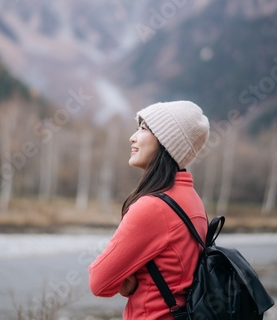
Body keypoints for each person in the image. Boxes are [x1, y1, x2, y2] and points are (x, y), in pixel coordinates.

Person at [89, 100, 210, 319]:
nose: (133, 137)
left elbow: (99, 282)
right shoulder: (193, 201)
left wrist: (127, 279)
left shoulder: (154, 207)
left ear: (167, 143)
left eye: (144, 129)